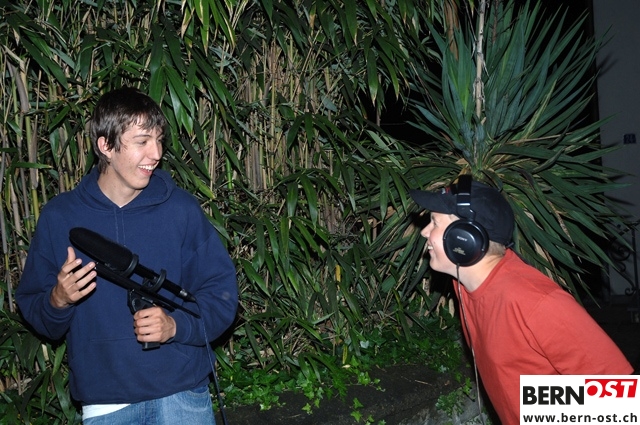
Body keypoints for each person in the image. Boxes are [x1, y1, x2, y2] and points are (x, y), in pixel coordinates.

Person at [16, 87, 238, 424]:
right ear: (105, 146)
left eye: (159, 140)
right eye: (142, 141)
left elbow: (221, 294)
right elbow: (36, 310)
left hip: (181, 395)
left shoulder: (180, 209)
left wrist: (175, 326)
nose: (156, 153)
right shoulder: (60, 217)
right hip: (106, 404)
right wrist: (58, 300)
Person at [409, 174, 633, 425]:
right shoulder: (466, 285)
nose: (424, 232)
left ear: (464, 237)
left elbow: (619, 396)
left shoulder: (536, 302)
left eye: (434, 222)